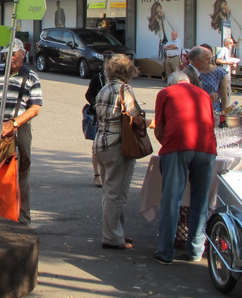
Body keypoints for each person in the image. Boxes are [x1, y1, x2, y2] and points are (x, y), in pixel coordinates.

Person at [152, 71, 217, 264]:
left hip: (178, 145)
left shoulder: (166, 93)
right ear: (188, 81)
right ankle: (196, 249)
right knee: (201, 199)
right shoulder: (203, 94)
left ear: (170, 83)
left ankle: (165, 251)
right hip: (206, 147)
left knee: (171, 199)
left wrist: (167, 144)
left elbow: (159, 128)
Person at [0, 38, 43, 225]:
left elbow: (35, 108)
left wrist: (12, 124)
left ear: (23, 53)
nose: (11, 57)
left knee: (20, 174)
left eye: (14, 53)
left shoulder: (31, 77)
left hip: (19, 130)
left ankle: (22, 220)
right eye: (8, 54)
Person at [93, 54, 147, 249]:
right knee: (117, 194)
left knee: (109, 193)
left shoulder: (104, 89)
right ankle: (112, 237)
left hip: (101, 144)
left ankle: (116, 232)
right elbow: (134, 117)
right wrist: (149, 122)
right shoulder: (125, 90)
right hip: (118, 145)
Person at [85, 51, 115, 187]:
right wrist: (96, 105)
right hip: (99, 116)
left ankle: (107, 173)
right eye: (107, 63)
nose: (109, 66)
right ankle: (97, 175)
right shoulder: (98, 78)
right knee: (96, 147)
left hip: (113, 118)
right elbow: (89, 94)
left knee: (111, 147)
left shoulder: (117, 80)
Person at [196, 47, 230, 114]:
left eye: (208, 58)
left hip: (214, 110)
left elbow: (224, 96)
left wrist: (223, 114)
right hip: (197, 109)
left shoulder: (219, 72)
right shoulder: (194, 72)